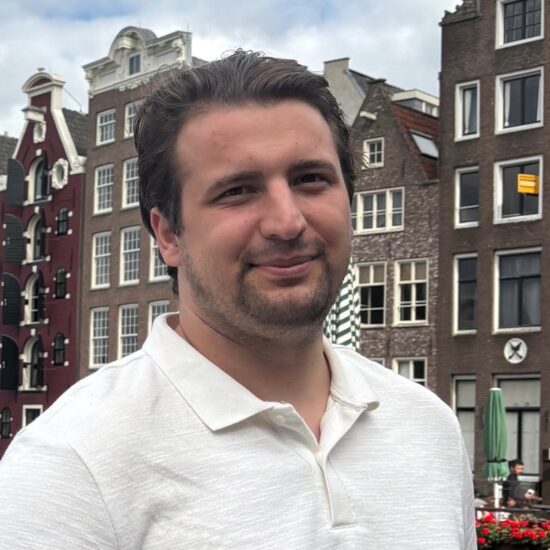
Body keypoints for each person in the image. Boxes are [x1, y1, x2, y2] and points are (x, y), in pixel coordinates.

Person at [0, 51, 476, 549]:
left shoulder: (429, 428)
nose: (287, 222)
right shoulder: (68, 467)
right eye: (238, 191)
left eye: (310, 179)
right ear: (168, 236)